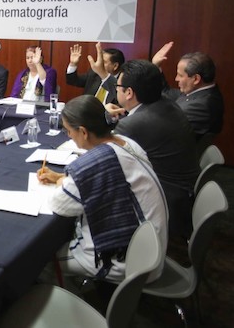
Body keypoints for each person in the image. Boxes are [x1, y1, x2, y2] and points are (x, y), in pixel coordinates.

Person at [37, 95, 168, 283]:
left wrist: (62, 183)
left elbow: (58, 204)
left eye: (68, 131)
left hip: (130, 261)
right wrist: (61, 178)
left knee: (39, 260)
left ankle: (72, 299)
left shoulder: (93, 164)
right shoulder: (125, 142)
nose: (69, 136)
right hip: (151, 247)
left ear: (83, 132)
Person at [105, 59, 200, 237]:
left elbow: (104, 159)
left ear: (129, 92)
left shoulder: (135, 123)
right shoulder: (165, 103)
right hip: (183, 192)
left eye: (117, 87)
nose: (116, 90)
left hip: (166, 200)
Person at [152, 42, 224, 141]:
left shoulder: (200, 107)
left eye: (180, 75)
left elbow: (160, 128)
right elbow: (167, 92)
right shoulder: (201, 92)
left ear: (196, 79)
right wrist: (156, 66)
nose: (176, 79)